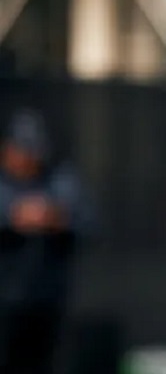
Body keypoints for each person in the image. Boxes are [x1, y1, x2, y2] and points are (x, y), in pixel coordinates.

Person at [0, 108, 94, 374]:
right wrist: (12, 217)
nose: (28, 159)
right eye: (22, 150)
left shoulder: (60, 179)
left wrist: (55, 218)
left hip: (46, 304)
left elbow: (89, 223)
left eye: (34, 151)